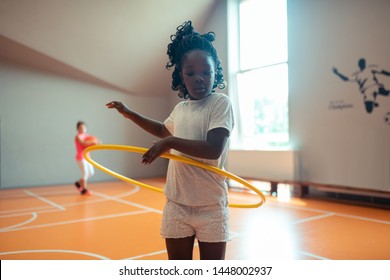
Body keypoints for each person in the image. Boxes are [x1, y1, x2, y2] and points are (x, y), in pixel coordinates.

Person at [106, 21, 234, 260]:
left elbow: (214, 149)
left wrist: (170, 143)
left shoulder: (220, 104)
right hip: (177, 203)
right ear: (181, 75)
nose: (199, 78)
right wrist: (129, 113)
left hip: (211, 206)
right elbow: (162, 130)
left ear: (215, 70)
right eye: (191, 73)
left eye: (206, 72)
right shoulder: (181, 108)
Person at [74, 121, 98, 195]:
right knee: (85, 173)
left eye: (84, 127)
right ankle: (84, 190)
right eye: (81, 127)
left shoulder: (88, 136)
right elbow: (83, 143)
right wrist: (93, 143)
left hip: (87, 157)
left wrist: (96, 143)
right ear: (78, 129)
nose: (83, 129)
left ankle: (78, 183)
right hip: (80, 157)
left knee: (91, 173)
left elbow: (91, 144)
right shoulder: (78, 136)